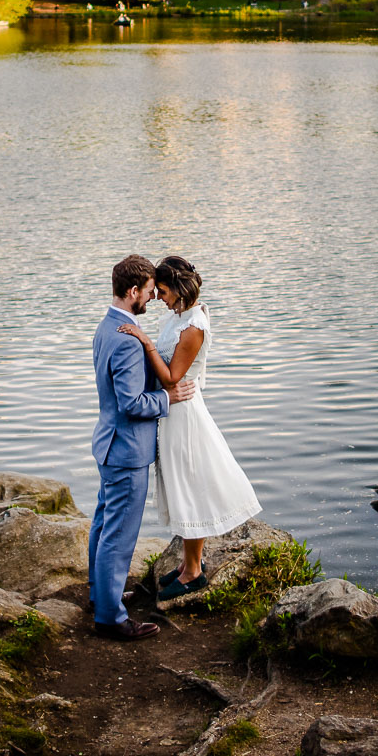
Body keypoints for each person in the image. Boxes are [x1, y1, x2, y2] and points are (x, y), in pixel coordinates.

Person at [120, 255, 262, 601]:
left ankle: (195, 571)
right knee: (182, 485)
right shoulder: (178, 317)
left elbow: (172, 377)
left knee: (192, 485)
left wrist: (144, 341)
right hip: (172, 413)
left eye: (164, 291)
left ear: (180, 290)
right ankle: (186, 567)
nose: (160, 298)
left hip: (186, 416)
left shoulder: (194, 326)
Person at [88, 254, 194, 641]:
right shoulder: (128, 341)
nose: (151, 299)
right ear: (132, 291)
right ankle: (111, 619)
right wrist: (171, 398)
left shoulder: (106, 327)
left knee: (102, 525)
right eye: (148, 292)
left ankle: (101, 596)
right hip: (127, 451)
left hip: (108, 443)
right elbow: (132, 404)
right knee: (118, 534)